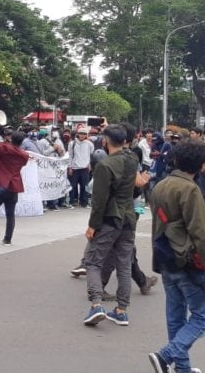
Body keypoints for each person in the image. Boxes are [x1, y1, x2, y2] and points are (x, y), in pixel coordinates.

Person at [148, 140, 205, 373]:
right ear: (200, 165)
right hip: (187, 259)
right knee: (201, 316)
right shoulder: (190, 189)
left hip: (165, 256)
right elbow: (199, 232)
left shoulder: (161, 184)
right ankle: (167, 355)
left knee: (175, 315)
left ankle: (182, 368)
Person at [82, 125, 138, 327]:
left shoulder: (104, 166)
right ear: (124, 141)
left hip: (110, 218)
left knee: (93, 262)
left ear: (105, 141)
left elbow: (99, 201)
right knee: (124, 264)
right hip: (128, 218)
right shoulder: (133, 159)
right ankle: (121, 310)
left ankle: (96, 304)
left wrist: (92, 226)